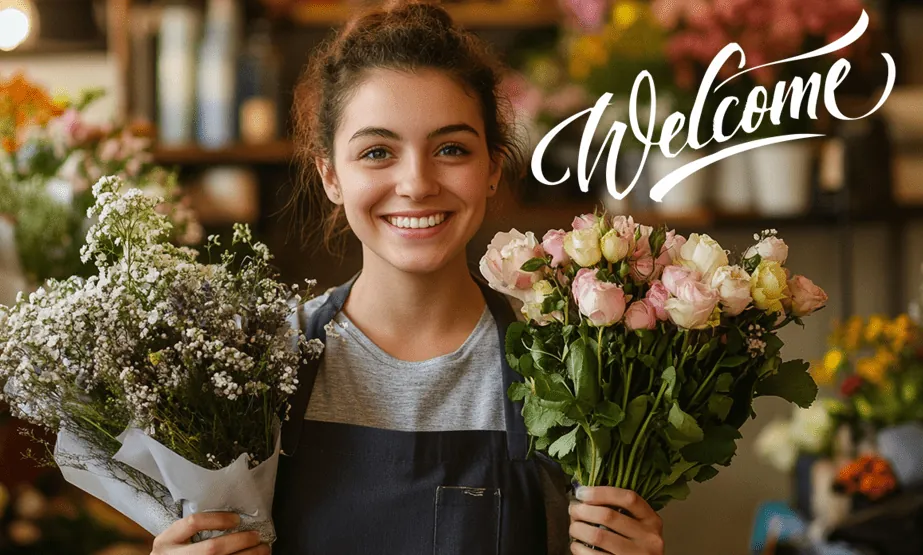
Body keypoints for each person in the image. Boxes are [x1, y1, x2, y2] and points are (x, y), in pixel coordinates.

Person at [150, 2, 666, 554]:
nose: (416, 183)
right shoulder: (259, 363)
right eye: (377, 152)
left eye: (451, 149)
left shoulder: (569, 372)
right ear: (330, 175)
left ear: (492, 168)